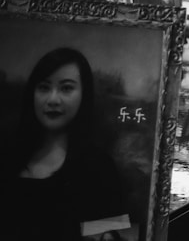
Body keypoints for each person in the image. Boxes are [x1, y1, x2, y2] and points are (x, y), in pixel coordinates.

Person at [1, 48, 130, 241]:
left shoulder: (99, 168)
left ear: (84, 94)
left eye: (66, 88)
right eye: (44, 87)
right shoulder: (7, 155)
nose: (53, 99)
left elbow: (113, 235)